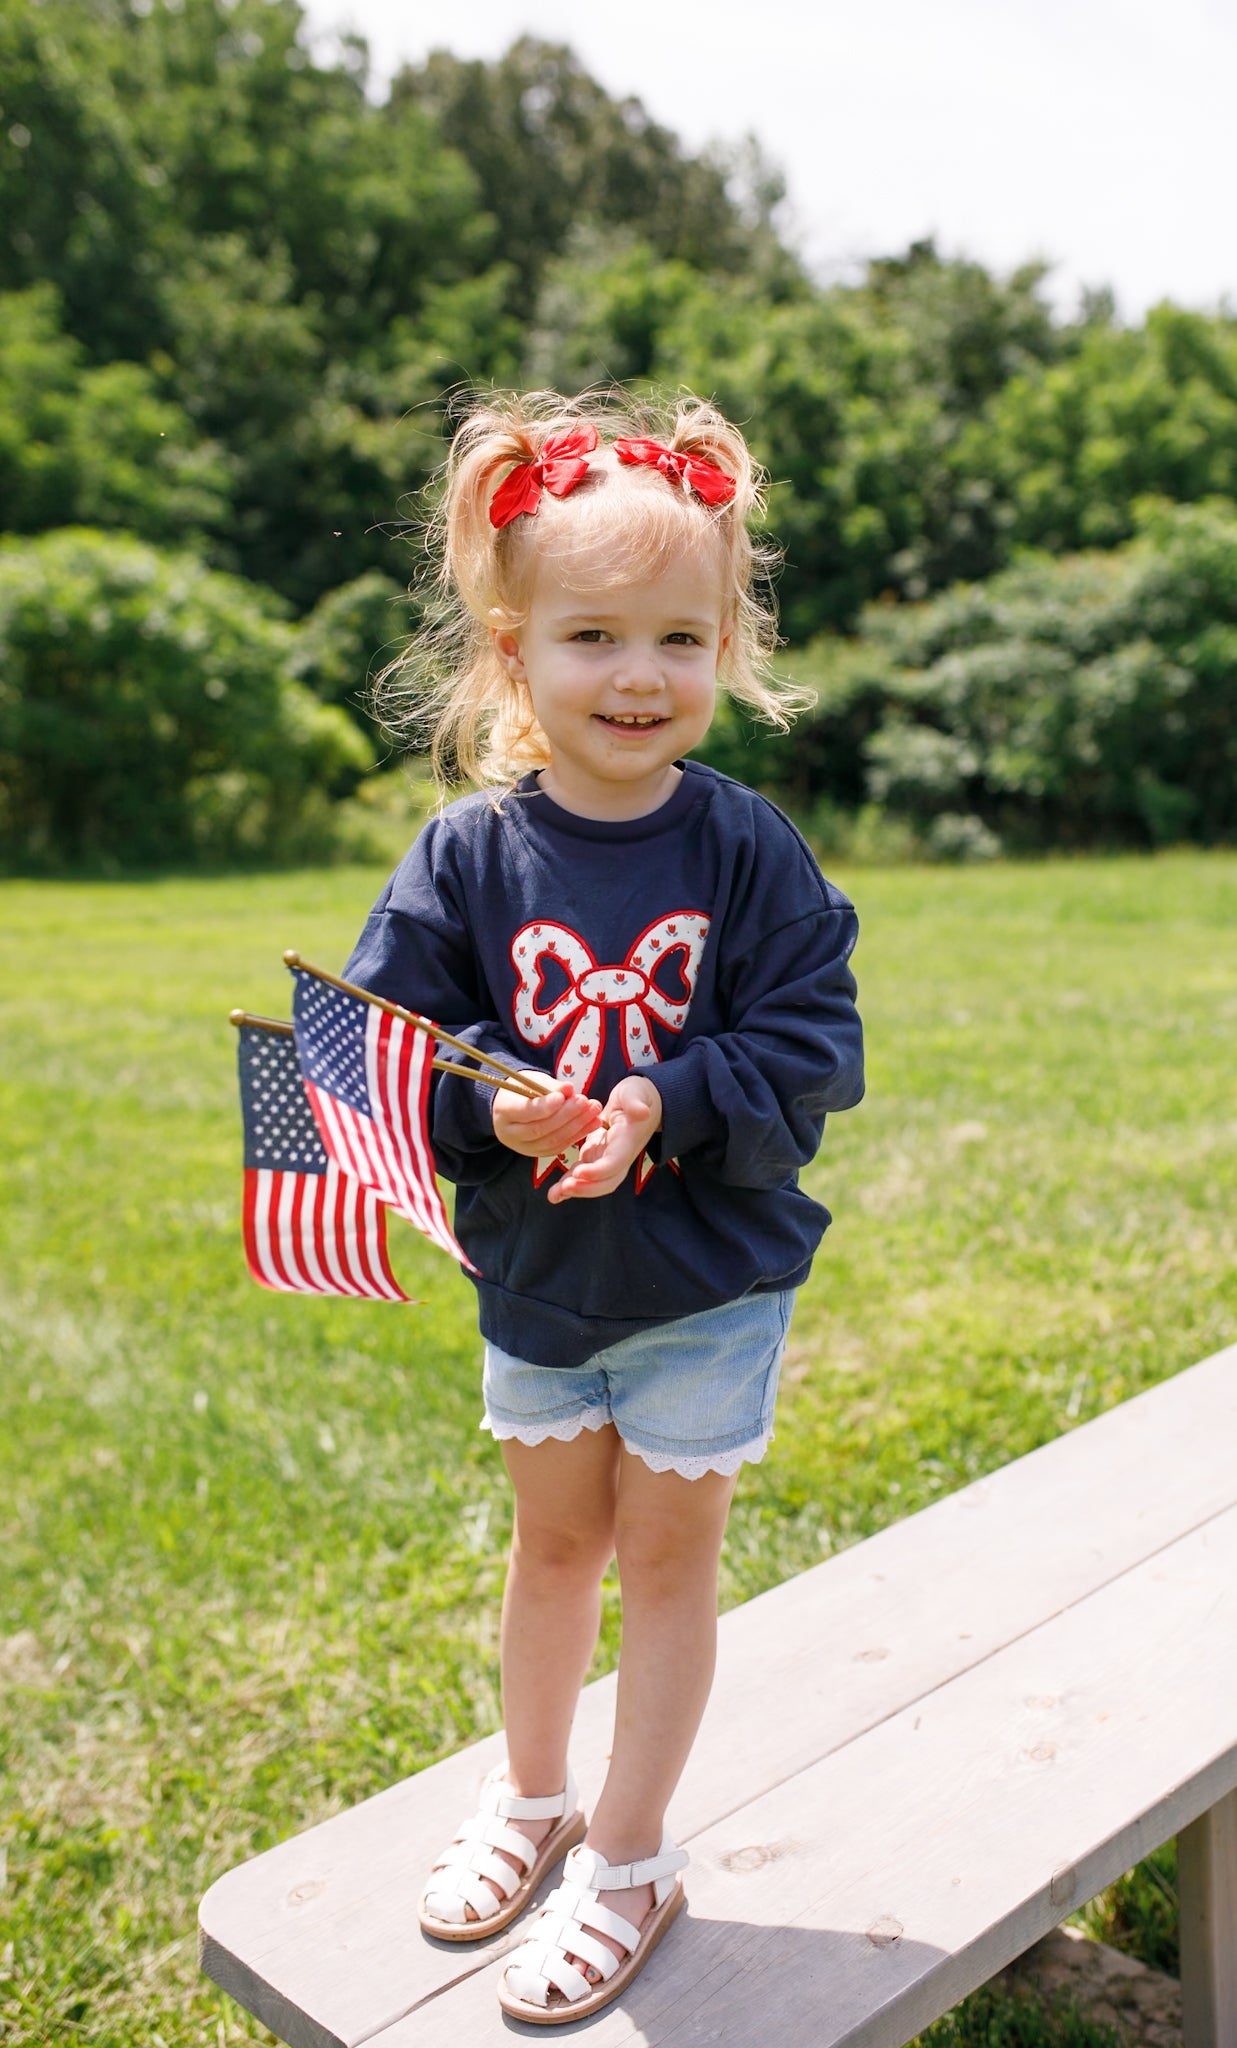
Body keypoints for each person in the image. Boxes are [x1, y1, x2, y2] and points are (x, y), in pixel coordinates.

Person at [343, 391, 864, 2021]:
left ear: (725, 644)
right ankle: (531, 1794)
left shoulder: (749, 850)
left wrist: (661, 1097)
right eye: (590, 636)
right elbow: (379, 1053)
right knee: (550, 1551)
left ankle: (628, 1854)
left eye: (677, 638)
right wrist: (491, 1098)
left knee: (665, 1566)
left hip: (701, 1284)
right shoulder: (463, 861)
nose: (637, 678)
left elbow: (810, 1044)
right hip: (544, 1280)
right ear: (511, 652)